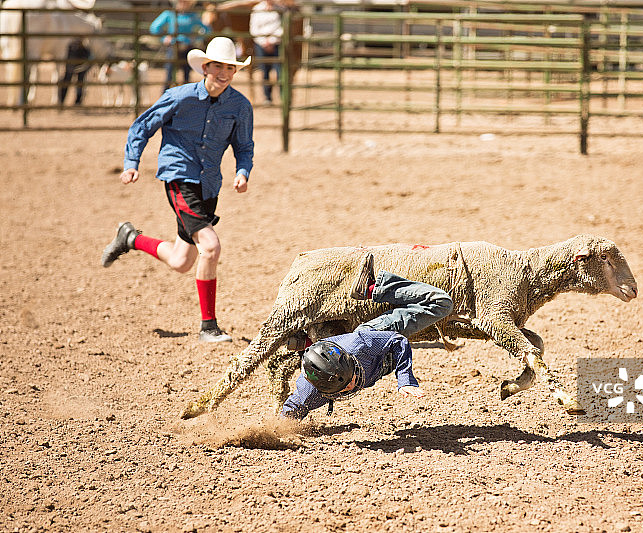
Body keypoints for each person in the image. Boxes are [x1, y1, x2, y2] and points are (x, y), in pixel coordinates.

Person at [100, 37, 254, 343]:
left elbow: (244, 146)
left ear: (235, 72)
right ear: (205, 67)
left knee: (181, 261)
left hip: (209, 183)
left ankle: (130, 237)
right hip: (179, 176)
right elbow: (142, 127)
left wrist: (242, 171)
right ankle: (208, 327)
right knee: (211, 246)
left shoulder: (240, 106)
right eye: (218, 66)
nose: (223, 73)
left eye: (230, 68)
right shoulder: (179, 97)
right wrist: (131, 163)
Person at [281, 253, 454, 420]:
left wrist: (405, 379)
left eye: (350, 378)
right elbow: (291, 411)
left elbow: (398, 340)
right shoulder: (311, 391)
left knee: (441, 302)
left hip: (376, 337)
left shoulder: (361, 344)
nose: (352, 385)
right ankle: (309, 342)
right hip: (377, 362)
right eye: (344, 387)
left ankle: (371, 287)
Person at [150, 0, 211, 93]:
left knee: (186, 74)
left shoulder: (193, 16)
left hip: (187, 47)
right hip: (173, 47)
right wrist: (164, 38)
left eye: (186, 1)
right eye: (181, 1)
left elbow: (207, 29)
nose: (183, 3)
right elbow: (154, 27)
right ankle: (165, 96)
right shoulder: (170, 14)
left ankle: (186, 95)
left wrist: (196, 39)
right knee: (169, 74)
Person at [249, 0, 283, 103]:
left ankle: (283, 97)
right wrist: (264, 42)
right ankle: (267, 97)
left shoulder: (281, 9)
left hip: (276, 43)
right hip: (261, 43)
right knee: (265, 70)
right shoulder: (257, 9)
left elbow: (282, 28)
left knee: (280, 71)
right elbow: (254, 29)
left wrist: (271, 41)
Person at [58, 38, 91, 106]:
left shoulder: (85, 48)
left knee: (79, 81)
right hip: (72, 65)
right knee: (68, 81)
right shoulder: (72, 47)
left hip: (79, 65)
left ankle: (77, 101)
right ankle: (62, 101)